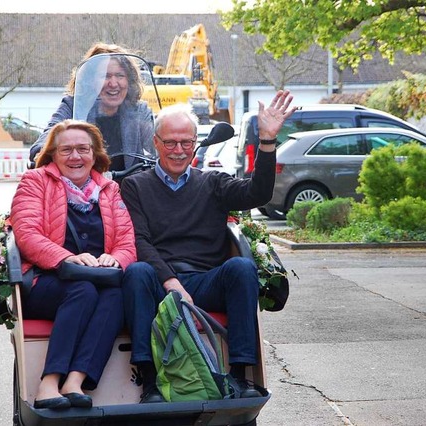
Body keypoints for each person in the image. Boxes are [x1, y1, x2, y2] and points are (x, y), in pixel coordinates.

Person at [120, 90, 296, 403]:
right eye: (170, 142)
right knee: (136, 272)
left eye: (186, 142)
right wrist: (169, 281)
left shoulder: (213, 182)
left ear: (195, 143)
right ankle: (149, 384)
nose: (178, 150)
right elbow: (139, 240)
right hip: (160, 283)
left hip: (205, 280)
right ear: (156, 143)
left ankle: (241, 377)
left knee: (241, 267)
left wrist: (267, 141)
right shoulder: (135, 185)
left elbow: (258, 194)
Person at [10, 119, 136, 409]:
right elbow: (26, 234)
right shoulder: (36, 181)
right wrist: (66, 257)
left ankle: (76, 380)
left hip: (98, 280)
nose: (75, 157)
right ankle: (48, 383)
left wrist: (115, 258)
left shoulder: (109, 189)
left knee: (117, 296)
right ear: (52, 154)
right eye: (66, 150)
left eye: (83, 149)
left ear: (95, 154)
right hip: (45, 280)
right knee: (82, 290)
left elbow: (127, 241)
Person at [30, 43, 155, 171]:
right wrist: (43, 152)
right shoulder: (73, 106)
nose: (113, 83)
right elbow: (48, 136)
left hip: (128, 187)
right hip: (85, 187)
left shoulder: (138, 110)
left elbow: (158, 140)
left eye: (120, 76)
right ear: (90, 80)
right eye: (105, 76)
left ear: (129, 80)